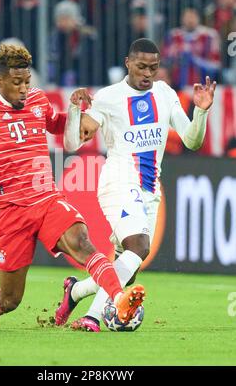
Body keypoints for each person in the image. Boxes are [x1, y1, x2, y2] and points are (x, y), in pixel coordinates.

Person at [0, 43, 144, 330]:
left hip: (47, 198)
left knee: (83, 243)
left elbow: (58, 124)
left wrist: (77, 113)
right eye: (16, 83)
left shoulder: (38, 100)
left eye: (27, 82)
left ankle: (119, 299)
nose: (23, 89)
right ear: (0, 81)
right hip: (11, 210)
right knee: (10, 299)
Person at [55, 38, 216, 332]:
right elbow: (71, 142)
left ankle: (74, 291)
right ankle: (93, 316)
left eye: (153, 68)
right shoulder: (108, 97)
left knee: (127, 269)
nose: (147, 73)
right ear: (127, 63)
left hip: (149, 190)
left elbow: (192, 141)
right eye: (141, 66)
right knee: (139, 247)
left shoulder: (165, 94)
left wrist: (202, 111)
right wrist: (74, 110)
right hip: (118, 180)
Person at [162, 8, 221, 89]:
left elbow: (216, 65)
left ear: (198, 18)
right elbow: (165, 61)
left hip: (203, 84)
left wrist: (195, 60)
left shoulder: (209, 35)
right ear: (182, 18)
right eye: (187, 17)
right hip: (177, 85)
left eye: (192, 16)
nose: (190, 20)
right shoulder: (173, 35)